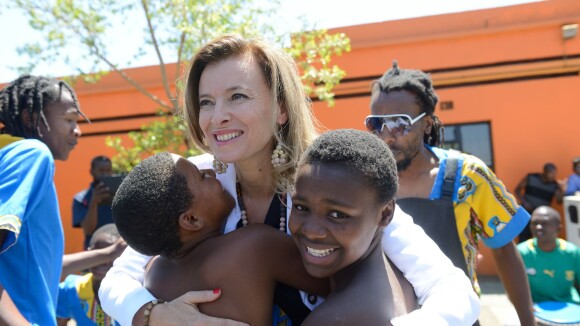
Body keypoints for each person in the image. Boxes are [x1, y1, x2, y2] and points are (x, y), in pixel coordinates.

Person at [100, 35, 479, 326]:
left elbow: (452, 290)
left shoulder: (336, 175)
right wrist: (151, 315)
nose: (218, 117)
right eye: (206, 102)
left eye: (237, 96)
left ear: (281, 107)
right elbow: (117, 280)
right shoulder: (194, 180)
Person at [366, 60, 535, 325]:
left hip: (459, 317)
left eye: (401, 123)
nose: (387, 136)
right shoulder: (366, 181)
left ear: (428, 124)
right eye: (377, 123)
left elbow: (504, 252)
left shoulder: (467, 176)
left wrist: (527, 321)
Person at [112, 151, 338, 325]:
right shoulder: (254, 246)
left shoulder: (152, 275)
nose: (211, 172)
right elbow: (336, 282)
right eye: (201, 176)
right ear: (191, 220)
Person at [290, 129, 417, 325]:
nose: (312, 231)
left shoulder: (336, 319)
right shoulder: (394, 277)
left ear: (385, 214)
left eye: (337, 215)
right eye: (301, 207)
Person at [0, 75, 83, 325]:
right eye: (69, 120)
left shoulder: (8, 155)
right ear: (30, 118)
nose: (77, 131)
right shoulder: (32, 153)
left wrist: (108, 253)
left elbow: (36, 263)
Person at [57, 224, 123, 326]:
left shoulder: (135, 292)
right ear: (88, 255)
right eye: (98, 255)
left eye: (112, 255)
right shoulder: (74, 290)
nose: (103, 262)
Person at [517, 206, 580, 305]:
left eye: (545, 223)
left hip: (569, 306)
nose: (538, 227)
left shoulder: (572, 252)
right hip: (535, 308)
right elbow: (514, 288)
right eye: (534, 223)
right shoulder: (522, 252)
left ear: (558, 229)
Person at [515, 163, 565, 242]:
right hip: (527, 212)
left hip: (542, 217)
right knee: (524, 237)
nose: (553, 177)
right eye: (551, 174)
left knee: (540, 238)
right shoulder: (531, 177)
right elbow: (517, 190)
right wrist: (524, 202)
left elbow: (559, 201)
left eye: (554, 175)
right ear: (545, 172)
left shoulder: (554, 185)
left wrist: (562, 189)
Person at [73, 155, 114, 249]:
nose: (105, 174)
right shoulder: (80, 198)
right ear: (92, 172)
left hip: (119, 250)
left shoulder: (120, 195)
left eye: (108, 170)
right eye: (101, 170)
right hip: (94, 251)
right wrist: (94, 202)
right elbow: (88, 230)